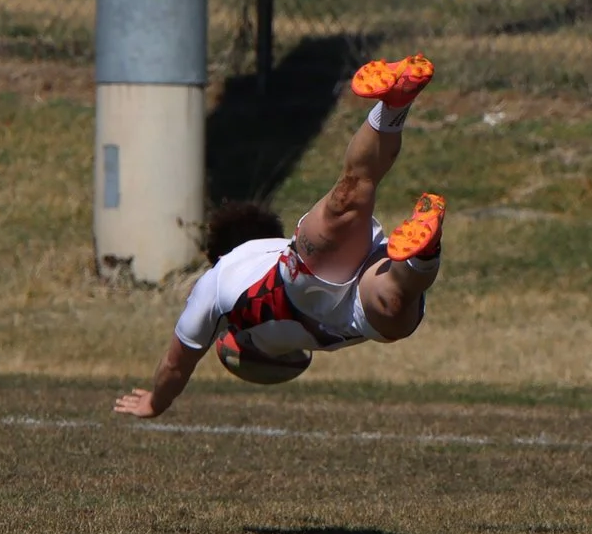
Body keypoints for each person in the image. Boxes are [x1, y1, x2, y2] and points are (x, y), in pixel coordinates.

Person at [112, 55, 448, 419]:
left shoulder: (221, 276)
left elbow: (177, 363)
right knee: (356, 205)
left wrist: (155, 401)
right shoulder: (244, 270)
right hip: (339, 302)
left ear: (223, 252)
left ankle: (424, 254)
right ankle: (395, 113)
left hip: (302, 284)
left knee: (394, 302)